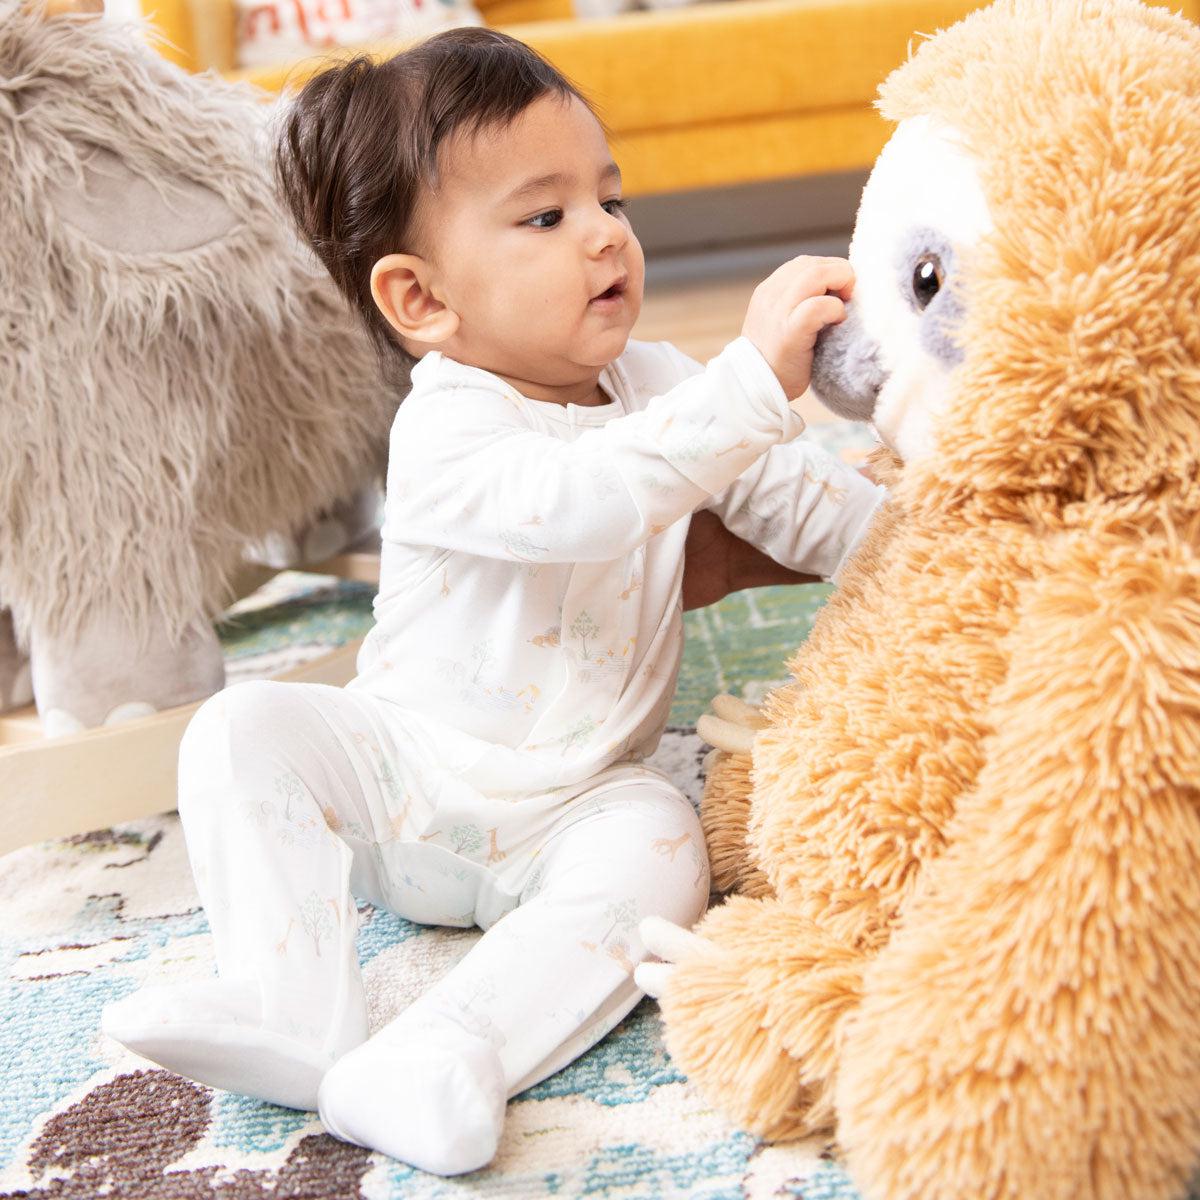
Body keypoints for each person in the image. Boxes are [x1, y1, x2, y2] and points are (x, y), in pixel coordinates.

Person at [102, 27, 885, 1176]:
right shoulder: (449, 424)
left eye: (610, 198)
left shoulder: (665, 388)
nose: (605, 233)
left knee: (666, 841)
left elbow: (816, 513)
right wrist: (748, 383)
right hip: (402, 780)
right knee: (244, 727)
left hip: (578, 804)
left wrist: (943, 541)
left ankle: (450, 1050)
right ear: (422, 298)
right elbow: (581, 503)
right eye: (546, 215)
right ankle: (288, 1001)